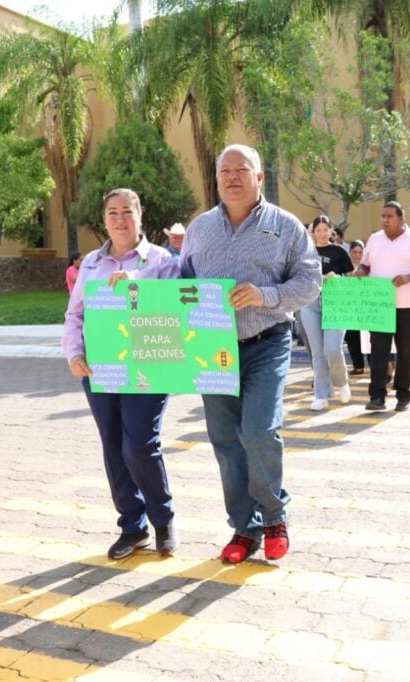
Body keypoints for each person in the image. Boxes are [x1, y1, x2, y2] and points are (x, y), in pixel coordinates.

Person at [180, 143, 321, 564]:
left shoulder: (286, 226)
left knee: (260, 430)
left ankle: (274, 515)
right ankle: (245, 528)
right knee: (225, 440)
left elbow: (311, 282)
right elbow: (179, 281)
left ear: (259, 178)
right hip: (212, 346)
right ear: (217, 178)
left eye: (243, 170)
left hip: (267, 341)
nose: (233, 177)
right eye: (225, 170)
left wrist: (266, 295)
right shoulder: (200, 229)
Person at [62, 188, 182, 560]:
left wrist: (137, 282)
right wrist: (74, 352)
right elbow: (75, 314)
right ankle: (133, 526)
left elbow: (179, 302)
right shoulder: (92, 265)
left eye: (127, 211)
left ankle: (162, 520)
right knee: (113, 445)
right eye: (112, 212)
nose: (119, 219)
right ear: (104, 220)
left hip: (148, 366)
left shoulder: (162, 260)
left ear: (140, 216)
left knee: (139, 445)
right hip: (101, 368)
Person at [351, 201, 410, 412]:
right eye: (383, 216)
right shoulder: (374, 239)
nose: (385, 220)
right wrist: (361, 271)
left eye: (389, 216)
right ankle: (377, 397)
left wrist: (407, 278)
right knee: (378, 352)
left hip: (407, 306)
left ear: (401, 218)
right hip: (379, 305)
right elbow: (366, 264)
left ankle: (403, 395)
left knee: (406, 353)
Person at [300, 215, 354, 411]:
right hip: (310, 303)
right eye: (318, 230)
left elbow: (350, 281)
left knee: (332, 349)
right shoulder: (306, 252)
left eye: (325, 229)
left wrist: (337, 278)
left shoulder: (340, 251)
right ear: (312, 232)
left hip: (336, 303)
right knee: (317, 352)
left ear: (332, 231)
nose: (322, 234)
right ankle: (321, 395)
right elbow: (299, 277)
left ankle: (342, 382)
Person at [344, 240, 366, 375]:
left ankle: (373, 363)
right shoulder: (345, 267)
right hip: (350, 307)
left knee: (368, 336)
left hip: (366, 307)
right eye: (354, 252)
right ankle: (358, 365)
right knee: (352, 336)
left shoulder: (368, 267)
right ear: (350, 252)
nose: (357, 255)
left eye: (360, 252)